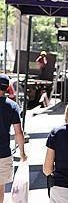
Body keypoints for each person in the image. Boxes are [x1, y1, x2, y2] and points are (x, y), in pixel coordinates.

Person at [0, 74, 27, 203]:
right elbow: (18, 133)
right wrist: (22, 152)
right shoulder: (12, 106)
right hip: (3, 154)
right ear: (7, 88)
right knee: (0, 188)